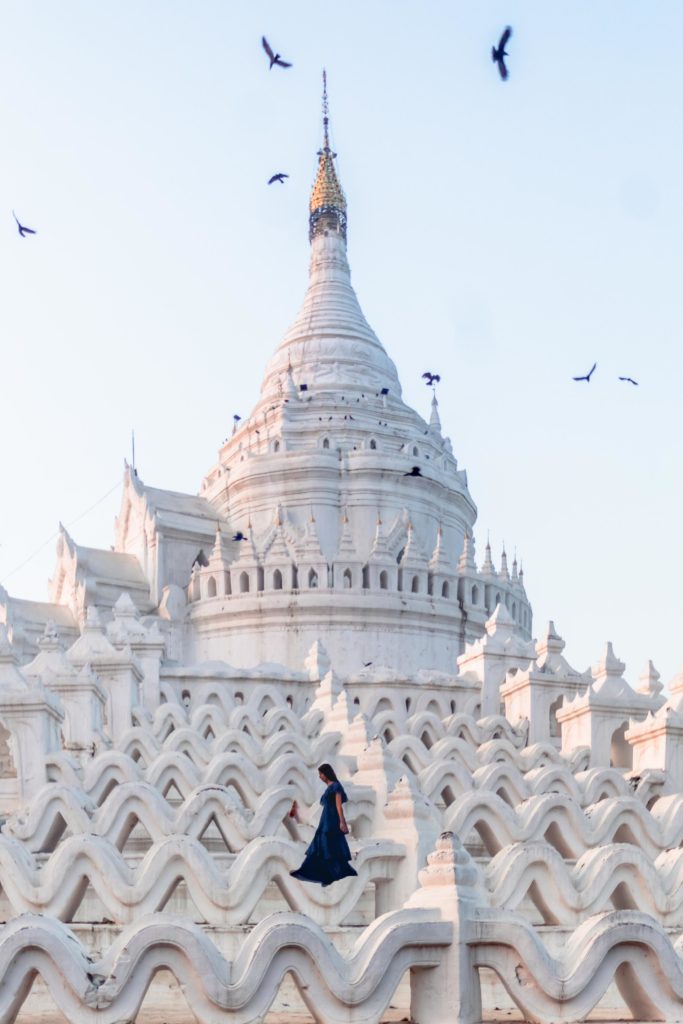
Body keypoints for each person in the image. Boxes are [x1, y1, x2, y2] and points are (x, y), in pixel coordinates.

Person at [289, 764, 358, 887]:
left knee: (329, 845)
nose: (320, 776)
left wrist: (342, 822)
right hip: (326, 818)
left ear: (326, 773)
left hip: (332, 820)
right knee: (323, 846)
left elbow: (338, 806)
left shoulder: (336, 786)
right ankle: (321, 874)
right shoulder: (330, 787)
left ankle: (331, 875)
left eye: (321, 774)